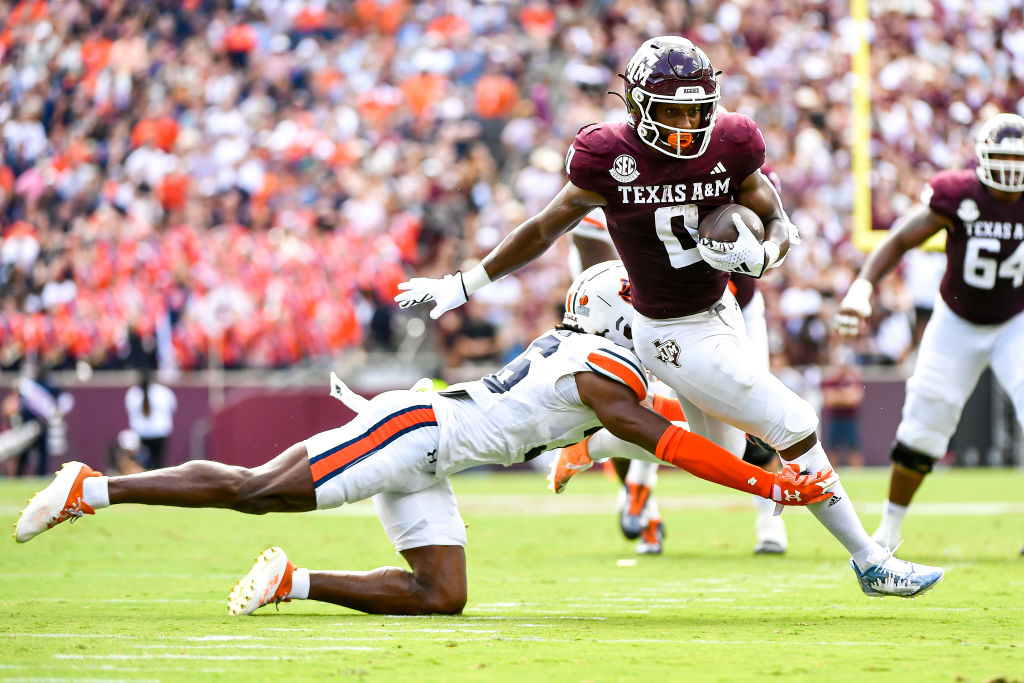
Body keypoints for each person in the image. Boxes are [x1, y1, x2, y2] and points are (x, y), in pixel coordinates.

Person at [395, 36, 943, 597]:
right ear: (635, 107)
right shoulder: (609, 155)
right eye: (671, 111)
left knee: (724, 453)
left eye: (696, 110)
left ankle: (594, 444)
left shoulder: (732, 140)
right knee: (795, 423)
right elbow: (543, 227)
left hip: (723, 307)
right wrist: (465, 283)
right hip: (672, 331)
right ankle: (871, 561)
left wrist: (766, 253)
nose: (686, 124)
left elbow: (776, 218)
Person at [15, 263, 837, 616]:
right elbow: (668, 442)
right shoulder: (599, 368)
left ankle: (293, 585)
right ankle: (94, 487)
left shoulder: (597, 365)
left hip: (432, 447)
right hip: (416, 432)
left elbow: (638, 431)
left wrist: (581, 455)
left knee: (443, 593)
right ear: (621, 313)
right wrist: (772, 486)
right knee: (254, 487)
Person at [835, 112, 1024, 549]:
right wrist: (863, 286)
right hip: (956, 319)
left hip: (1015, 319)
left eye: (1019, 161)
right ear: (981, 160)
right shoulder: (957, 194)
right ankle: (891, 529)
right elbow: (900, 239)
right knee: (925, 419)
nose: (1012, 172)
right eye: (1003, 160)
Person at [564, 208, 786, 555]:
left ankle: (770, 518)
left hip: (721, 307)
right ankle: (643, 505)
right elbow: (598, 262)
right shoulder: (612, 182)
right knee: (624, 405)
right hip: (636, 307)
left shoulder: (726, 175)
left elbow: (761, 244)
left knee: (746, 417)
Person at [124, 368, 177, 470]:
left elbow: (129, 410)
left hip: (143, 433)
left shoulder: (133, 393)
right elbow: (172, 407)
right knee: (158, 465)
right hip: (158, 432)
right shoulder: (163, 392)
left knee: (143, 465)